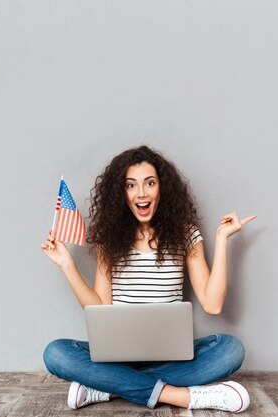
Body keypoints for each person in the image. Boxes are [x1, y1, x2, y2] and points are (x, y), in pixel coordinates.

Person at [40, 145, 257, 412]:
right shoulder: (110, 242)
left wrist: (222, 240)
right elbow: (98, 308)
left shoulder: (185, 236)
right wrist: (67, 265)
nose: (141, 193)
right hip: (117, 359)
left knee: (231, 349)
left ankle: (109, 388)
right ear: (122, 193)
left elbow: (213, 305)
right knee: (55, 353)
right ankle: (182, 396)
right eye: (131, 185)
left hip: (171, 359)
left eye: (149, 183)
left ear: (161, 189)